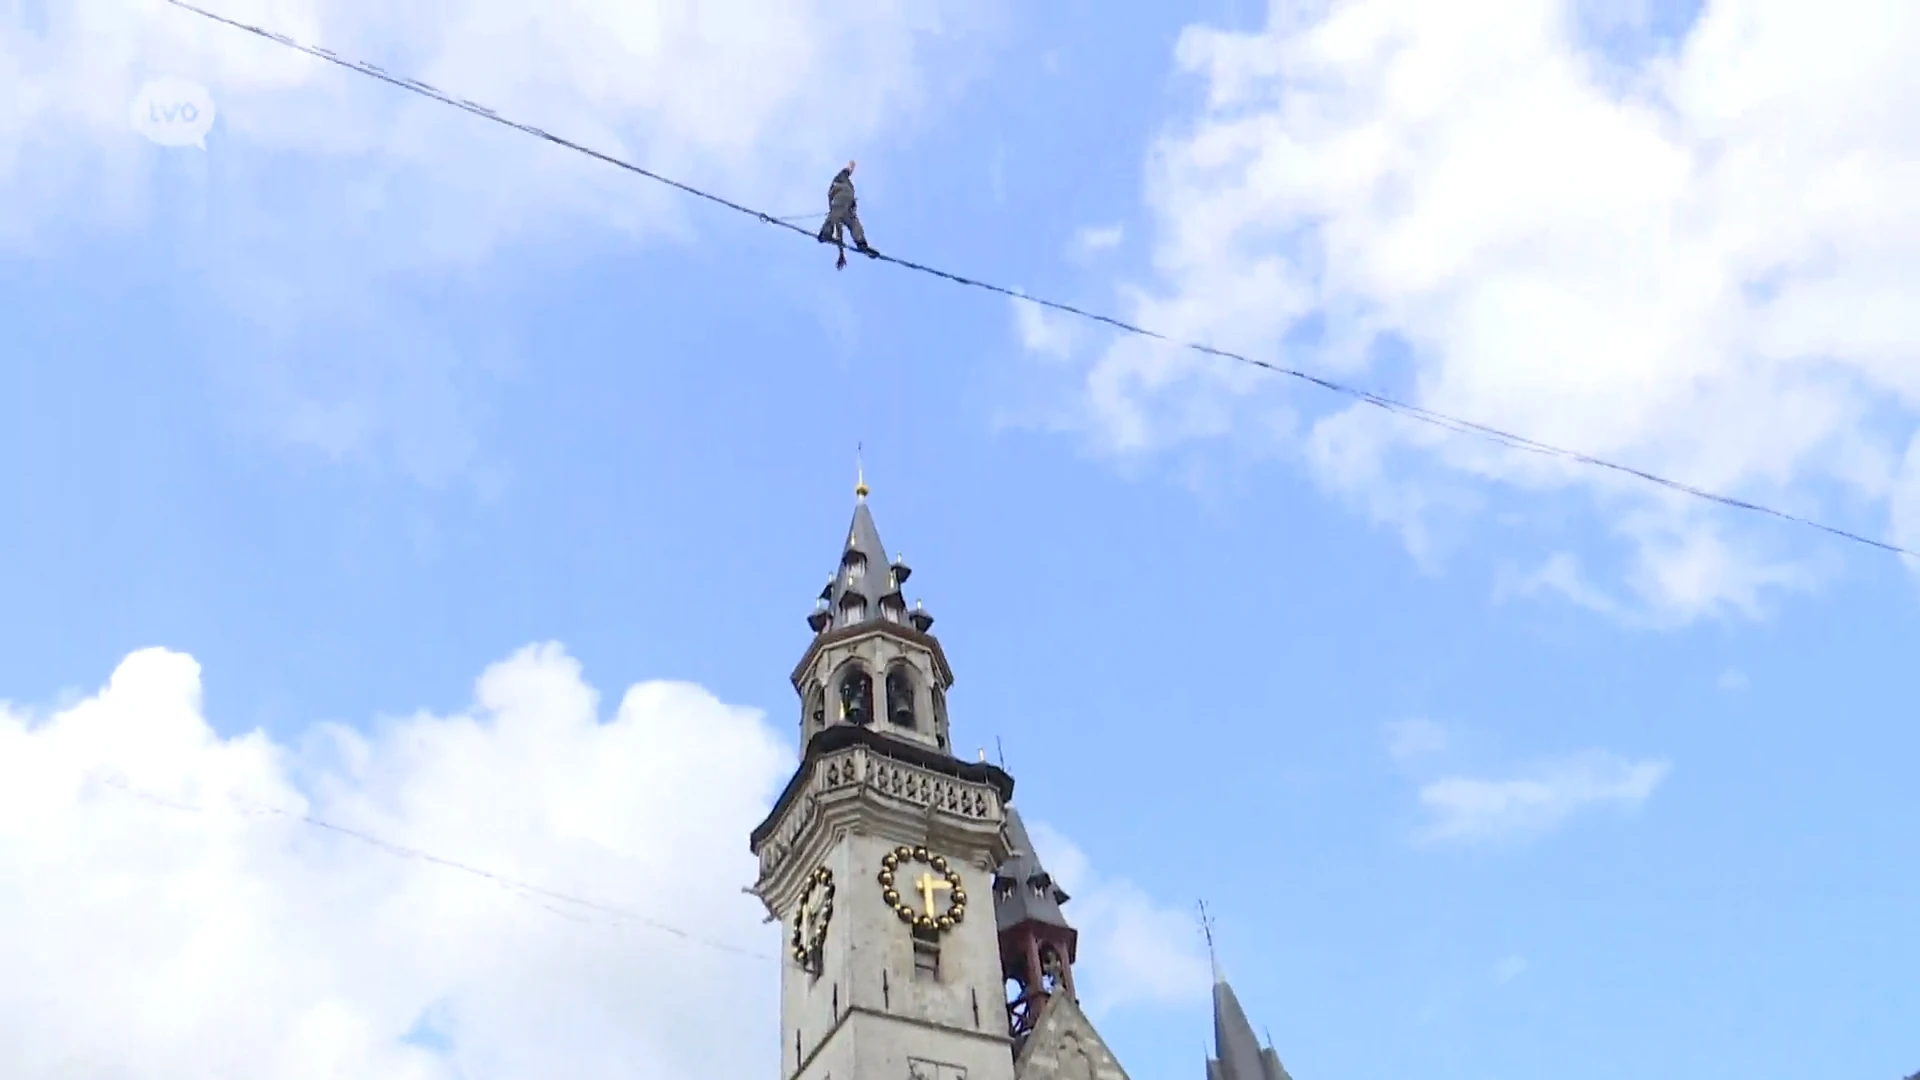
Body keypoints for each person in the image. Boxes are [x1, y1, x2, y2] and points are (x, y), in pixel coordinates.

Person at [818, 160, 878, 269]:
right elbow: (848, 170)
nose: (854, 209)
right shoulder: (843, 183)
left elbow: (839, 231)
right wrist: (851, 166)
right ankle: (826, 231)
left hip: (841, 203)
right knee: (837, 212)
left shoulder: (848, 213)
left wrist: (841, 254)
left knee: (854, 223)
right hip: (839, 193)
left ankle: (861, 243)